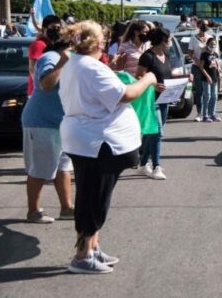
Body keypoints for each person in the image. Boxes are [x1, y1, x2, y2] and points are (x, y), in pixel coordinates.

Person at [59, 21, 157, 274]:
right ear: (96, 43)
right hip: (97, 143)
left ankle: (92, 247)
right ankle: (82, 256)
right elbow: (125, 94)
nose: (105, 41)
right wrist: (148, 78)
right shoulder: (90, 67)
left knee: (93, 194)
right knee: (94, 198)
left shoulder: (77, 64)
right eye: (103, 38)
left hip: (88, 140)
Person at [20, 31, 74, 224]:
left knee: (63, 166)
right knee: (41, 168)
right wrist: (62, 63)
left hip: (60, 123)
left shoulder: (71, 59)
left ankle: (66, 209)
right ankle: (33, 212)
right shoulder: (50, 57)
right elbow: (45, 84)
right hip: (42, 122)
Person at [136, 27, 186, 180]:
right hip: (151, 100)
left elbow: (168, 74)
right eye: (169, 39)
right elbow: (139, 77)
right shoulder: (147, 56)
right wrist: (153, 85)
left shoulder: (165, 55)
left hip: (164, 100)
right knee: (157, 131)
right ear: (162, 40)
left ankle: (143, 163)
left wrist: (185, 76)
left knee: (152, 133)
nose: (170, 42)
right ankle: (157, 166)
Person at [27, 15, 62, 97]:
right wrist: (42, 87)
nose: (56, 30)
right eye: (53, 27)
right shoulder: (39, 44)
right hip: (39, 92)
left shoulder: (52, 44)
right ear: (44, 29)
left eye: (58, 28)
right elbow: (32, 69)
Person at [188, 23, 210, 122]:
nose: (204, 31)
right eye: (202, 28)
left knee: (209, 92)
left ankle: (209, 113)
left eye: (205, 29)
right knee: (199, 91)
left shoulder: (210, 37)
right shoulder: (193, 38)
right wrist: (196, 60)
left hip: (208, 67)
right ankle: (199, 113)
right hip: (197, 67)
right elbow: (190, 53)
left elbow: (215, 52)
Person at [199, 36, 222, 122]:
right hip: (206, 78)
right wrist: (207, 76)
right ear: (207, 44)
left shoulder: (215, 54)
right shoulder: (204, 54)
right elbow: (201, 67)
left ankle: (213, 113)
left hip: (215, 77)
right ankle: (205, 115)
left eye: (214, 44)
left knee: (214, 96)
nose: (213, 46)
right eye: (211, 44)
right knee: (207, 96)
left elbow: (217, 63)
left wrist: (219, 72)